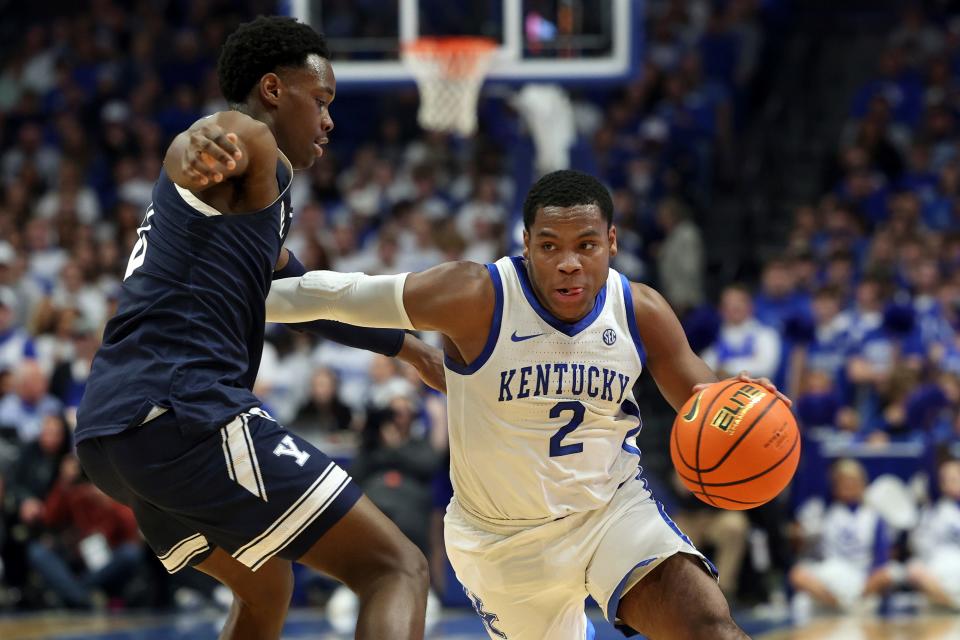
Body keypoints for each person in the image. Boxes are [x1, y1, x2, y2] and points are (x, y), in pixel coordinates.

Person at [266, 169, 792, 639]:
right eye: (549, 246)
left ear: (612, 242)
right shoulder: (475, 295)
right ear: (525, 244)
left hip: (609, 513)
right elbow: (335, 297)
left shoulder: (640, 309)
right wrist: (238, 280)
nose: (568, 263)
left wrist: (741, 403)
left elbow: (704, 402)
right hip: (502, 544)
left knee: (707, 625)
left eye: (586, 245)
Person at [74, 17, 437, 640]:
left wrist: (405, 346)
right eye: (319, 101)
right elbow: (211, 138)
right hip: (181, 409)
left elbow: (304, 297)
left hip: (112, 434)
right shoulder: (247, 139)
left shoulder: (247, 217)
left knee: (266, 583)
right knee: (396, 567)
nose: (328, 122)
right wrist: (194, 146)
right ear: (273, 89)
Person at [906, 458, 960, 610]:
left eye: (955, 478)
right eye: (946, 480)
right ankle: (952, 604)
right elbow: (920, 548)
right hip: (941, 570)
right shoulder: (932, 512)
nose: (951, 483)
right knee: (913, 569)